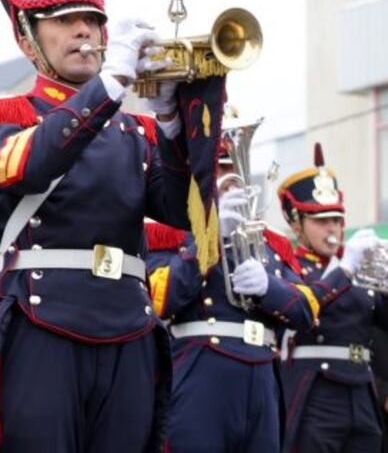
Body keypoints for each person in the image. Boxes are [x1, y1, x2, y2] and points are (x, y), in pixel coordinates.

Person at [0, 0, 217, 452]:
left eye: (93, 20)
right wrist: (110, 84)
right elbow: (30, 164)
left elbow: (188, 215)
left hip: (129, 326)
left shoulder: (135, 131)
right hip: (40, 321)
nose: (84, 31)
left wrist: (172, 124)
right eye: (62, 18)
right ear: (27, 37)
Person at [145, 138, 319, 452]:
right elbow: (160, 298)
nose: (226, 181)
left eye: (231, 168)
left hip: (263, 372)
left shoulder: (268, 243)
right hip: (203, 368)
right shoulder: (172, 232)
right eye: (217, 169)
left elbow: (307, 311)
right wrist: (210, 238)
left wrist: (270, 288)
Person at [278, 144, 388, 452]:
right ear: (297, 224)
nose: (333, 229)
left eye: (337, 220)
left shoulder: (358, 269)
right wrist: (345, 269)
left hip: (361, 389)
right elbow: (300, 306)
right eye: (321, 220)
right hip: (315, 388)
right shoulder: (290, 264)